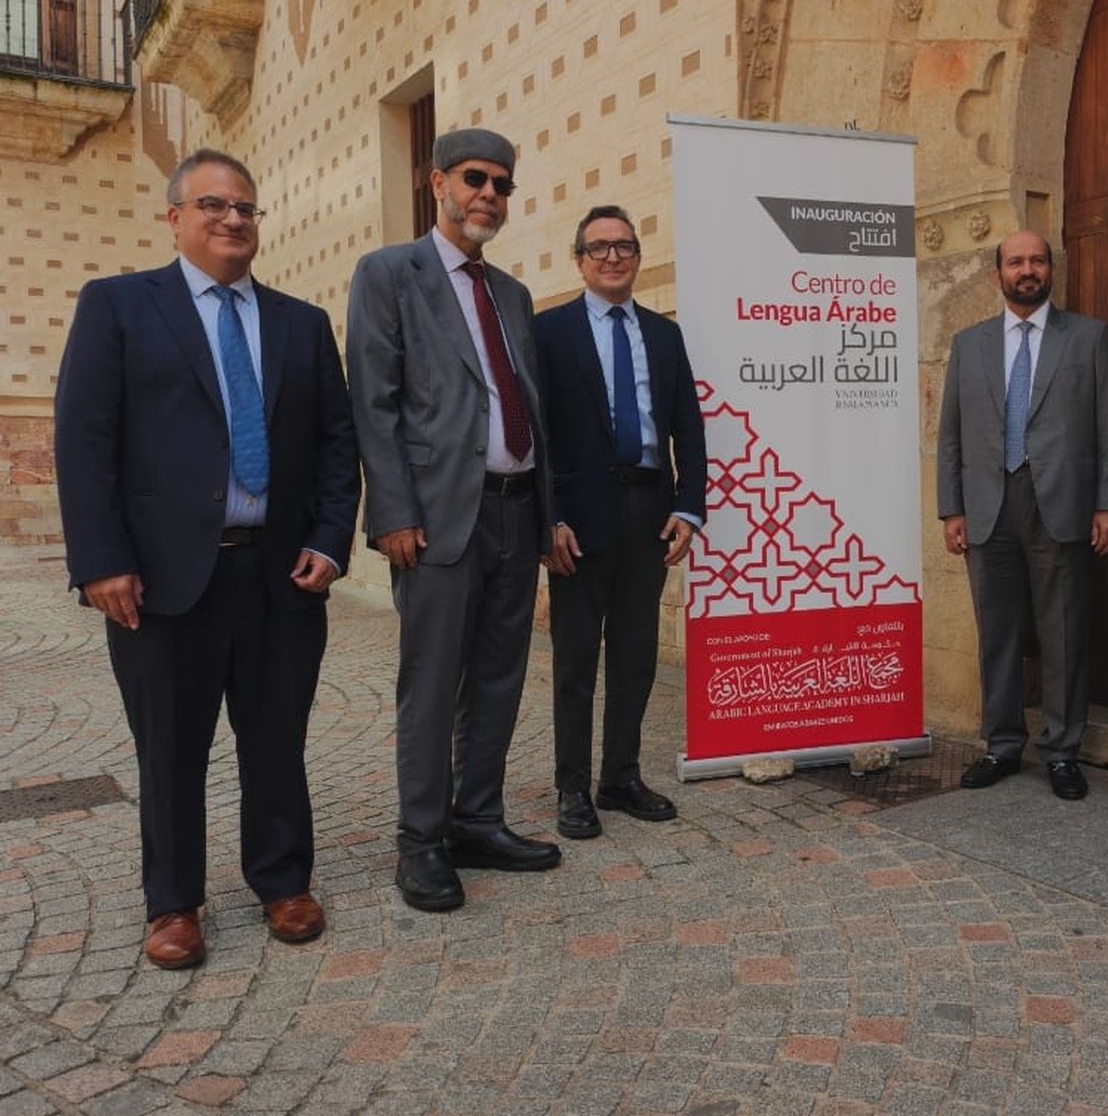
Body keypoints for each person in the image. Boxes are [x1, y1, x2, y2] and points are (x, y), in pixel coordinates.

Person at [54, 149, 360, 968]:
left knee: (277, 739)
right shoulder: (119, 306)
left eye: (247, 208)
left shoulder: (301, 323)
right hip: (159, 582)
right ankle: (173, 904)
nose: (233, 219)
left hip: (278, 576)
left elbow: (337, 445)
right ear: (176, 217)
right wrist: (100, 561)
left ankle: (284, 881)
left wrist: (331, 541)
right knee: (170, 747)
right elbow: (85, 442)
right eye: (215, 205)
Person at [346, 128, 560, 912]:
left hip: (513, 513)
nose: (489, 196)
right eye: (476, 179)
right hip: (434, 524)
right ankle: (421, 841)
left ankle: (478, 820)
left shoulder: (512, 294)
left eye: (503, 185)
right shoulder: (387, 274)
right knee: (432, 686)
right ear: (437, 182)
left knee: (500, 678)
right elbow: (374, 402)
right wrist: (392, 512)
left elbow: (531, 409)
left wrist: (548, 517)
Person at [935, 230, 1108, 800]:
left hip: (1063, 505)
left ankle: (1063, 751)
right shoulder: (968, 345)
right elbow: (951, 435)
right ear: (997, 275)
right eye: (1016, 261)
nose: (1028, 270)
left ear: (1052, 271)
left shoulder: (1089, 338)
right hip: (988, 507)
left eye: (1037, 261)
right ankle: (1000, 744)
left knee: (1063, 630)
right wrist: (952, 508)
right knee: (997, 631)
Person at [535, 205, 707, 840]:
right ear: (579, 259)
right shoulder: (547, 332)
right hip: (577, 521)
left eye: (625, 246)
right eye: (600, 247)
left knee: (635, 655)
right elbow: (538, 436)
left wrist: (689, 506)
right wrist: (547, 519)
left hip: (648, 513)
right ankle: (572, 787)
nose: (613, 257)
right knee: (577, 659)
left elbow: (687, 424)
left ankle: (621, 776)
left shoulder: (665, 336)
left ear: (637, 257)